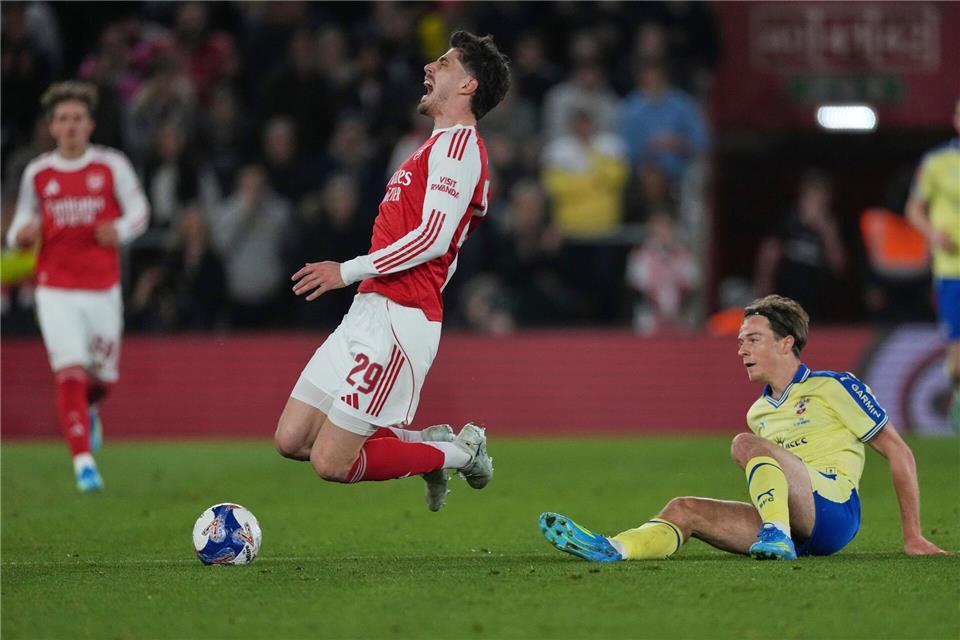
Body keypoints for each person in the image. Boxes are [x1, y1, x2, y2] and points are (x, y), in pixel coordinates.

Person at [274, 31, 510, 512]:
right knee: (292, 439)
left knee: (331, 462)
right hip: (369, 309)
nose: (429, 67)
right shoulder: (431, 147)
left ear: (468, 86)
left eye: (444, 63)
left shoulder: (460, 148)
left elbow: (433, 239)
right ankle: (426, 444)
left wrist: (347, 271)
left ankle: (460, 454)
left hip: (401, 317)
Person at [540, 295, 949, 561]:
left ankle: (776, 533)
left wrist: (912, 535)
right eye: (740, 341)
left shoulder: (834, 386)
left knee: (744, 444)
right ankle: (615, 548)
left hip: (834, 511)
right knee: (685, 509)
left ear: (786, 343)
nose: (741, 350)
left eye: (753, 339)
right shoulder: (759, 412)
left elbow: (899, 451)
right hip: (792, 523)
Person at [6, 81, 149, 491]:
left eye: (78, 118)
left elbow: (140, 212)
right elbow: (19, 226)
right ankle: (84, 464)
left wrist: (119, 230)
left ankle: (91, 409)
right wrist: (20, 236)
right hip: (54, 288)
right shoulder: (38, 172)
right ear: (52, 127)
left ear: (90, 124)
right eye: (63, 119)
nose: (70, 126)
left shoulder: (111, 165)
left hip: (102, 287)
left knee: (101, 379)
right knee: (69, 372)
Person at [906, 99, 960, 426]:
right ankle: (957, 401)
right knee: (957, 363)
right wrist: (933, 234)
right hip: (952, 272)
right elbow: (913, 209)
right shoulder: (937, 162)